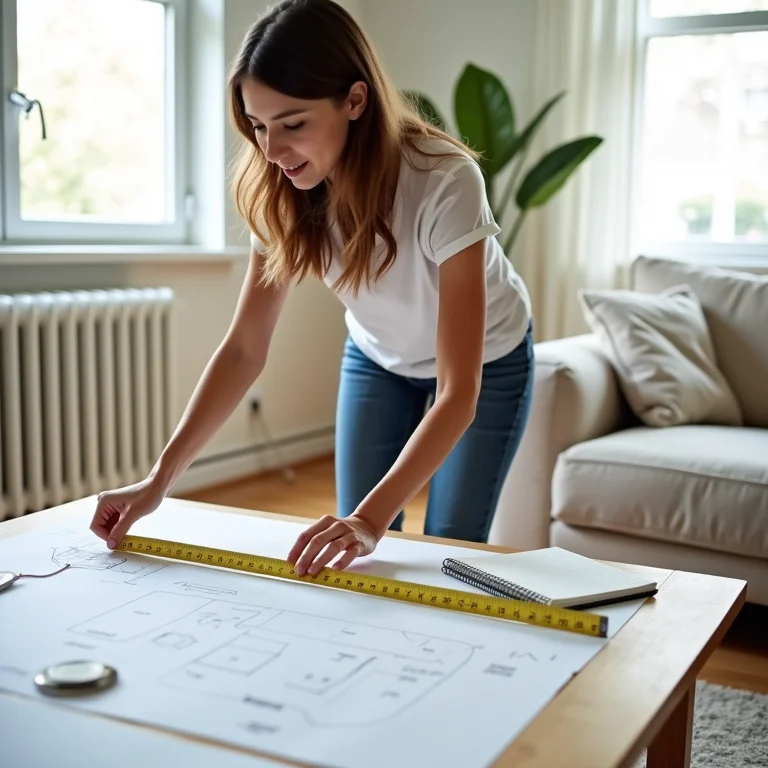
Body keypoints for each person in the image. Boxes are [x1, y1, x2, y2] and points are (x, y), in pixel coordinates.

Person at [90, 0, 534, 579]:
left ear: (355, 100)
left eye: (293, 123)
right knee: (350, 551)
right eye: (258, 126)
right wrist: (160, 480)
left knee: (450, 551)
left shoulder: (444, 180)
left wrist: (371, 520)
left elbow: (457, 392)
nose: (272, 152)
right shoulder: (275, 189)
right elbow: (245, 348)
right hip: (378, 358)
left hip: (488, 364)